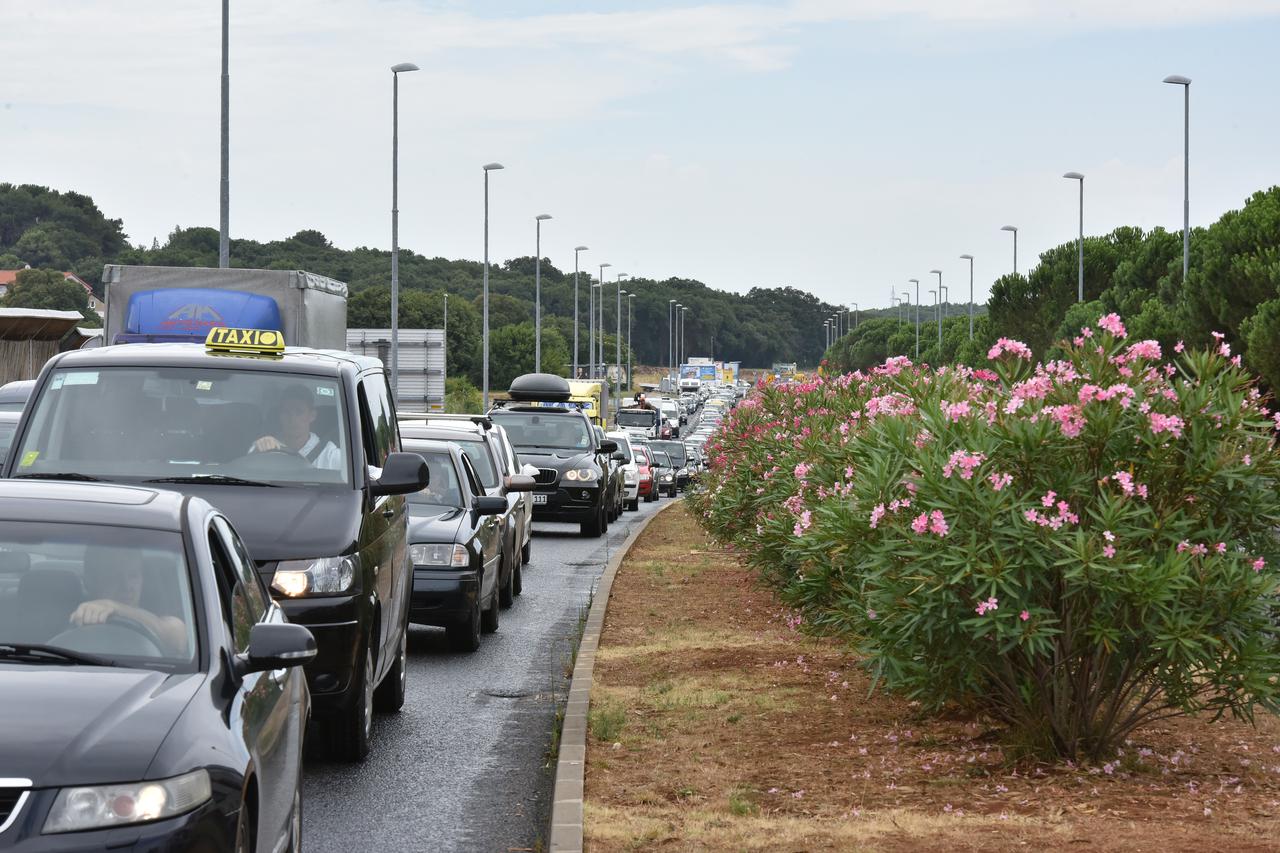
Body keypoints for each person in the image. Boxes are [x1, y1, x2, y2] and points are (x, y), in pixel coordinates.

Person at [69, 551, 188, 656]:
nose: (127, 586)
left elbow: (177, 639)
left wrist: (114, 607)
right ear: (90, 581)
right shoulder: (66, 618)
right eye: (115, 576)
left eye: (133, 576)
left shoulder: (155, 619)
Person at [250, 385, 343, 470]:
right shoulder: (263, 448)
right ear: (280, 416)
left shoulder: (331, 456)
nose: (292, 419)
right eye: (286, 412)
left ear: (312, 415)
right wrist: (257, 452)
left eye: (299, 412)